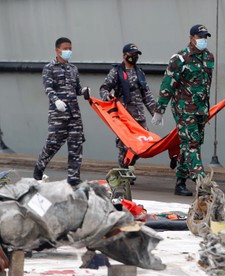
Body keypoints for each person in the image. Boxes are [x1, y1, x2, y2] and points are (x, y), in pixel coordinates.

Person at [151, 24, 214, 196]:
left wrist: (207, 110)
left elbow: (206, 86)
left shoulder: (209, 57)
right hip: (184, 109)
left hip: (201, 110)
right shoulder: (180, 58)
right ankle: (202, 184)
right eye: (200, 37)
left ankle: (180, 182)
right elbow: (168, 84)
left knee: (192, 144)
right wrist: (159, 109)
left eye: (205, 37)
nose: (203, 40)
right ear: (191, 38)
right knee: (191, 145)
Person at [33, 37, 89, 187]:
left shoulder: (73, 69)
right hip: (58, 114)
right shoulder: (49, 68)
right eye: (65, 48)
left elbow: (77, 88)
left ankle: (73, 178)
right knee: (53, 144)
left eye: (70, 48)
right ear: (57, 50)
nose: (68, 51)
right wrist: (56, 100)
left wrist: (83, 91)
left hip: (74, 114)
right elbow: (48, 88)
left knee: (76, 146)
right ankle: (39, 167)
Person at [99, 43, 157, 169]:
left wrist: (156, 112)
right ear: (125, 55)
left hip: (139, 115)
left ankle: (129, 165)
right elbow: (104, 88)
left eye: (136, 55)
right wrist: (106, 95)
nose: (134, 57)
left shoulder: (139, 72)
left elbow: (146, 94)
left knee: (143, 144)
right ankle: (124, 171)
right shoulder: (116, 71)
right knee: (124, 145)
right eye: (132, 54)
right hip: (124, 115)